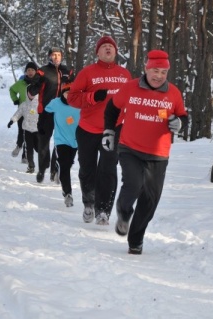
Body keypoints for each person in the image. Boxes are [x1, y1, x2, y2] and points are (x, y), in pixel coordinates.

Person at [103, 49, 188, 255]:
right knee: (133, 184)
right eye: (155, 71)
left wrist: (179, 123)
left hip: (158, 154)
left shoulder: (173, 93)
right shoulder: (130, 88)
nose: (159, 76)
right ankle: (124, 212)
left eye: (164, 72)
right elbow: (112, 108)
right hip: (130, 147)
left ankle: (136, 239)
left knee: (150, 199)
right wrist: (108, 131)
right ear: (146, 69)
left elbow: (182, 116)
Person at [67, 36, 132, 225]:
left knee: (108, 169)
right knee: (88, 169)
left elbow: (131, 100)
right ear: (97, 52)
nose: (108, 49)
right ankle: (89, 203)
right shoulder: (87, 73)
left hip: (113, 130)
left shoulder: (124, 75)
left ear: (116, 51)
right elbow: (72, 98)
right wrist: (92, 97)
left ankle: (103, 211)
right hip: (87, 129)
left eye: (111, 46)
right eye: (104, 46)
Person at [28, 47, 75, 184]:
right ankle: (42, 168)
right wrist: (36, 86)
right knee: (43, 141)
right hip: (46, 112)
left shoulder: (68, 71)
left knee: (60, 141)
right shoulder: (42, 71)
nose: (56, 57)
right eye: (53, 55)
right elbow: (31, 91)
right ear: (49, 56)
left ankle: (55, 169)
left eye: (58, 55)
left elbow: (76, 89)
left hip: (63, 113)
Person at [45, 97, 80, 207]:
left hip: (75, 141)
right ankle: (68, 194)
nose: (68, 94)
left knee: (68, 164)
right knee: (65, 166)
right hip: (61, 140)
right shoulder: (56, 102)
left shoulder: (79, 102)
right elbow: (45, 110)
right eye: (66, 92)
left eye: (71, 92)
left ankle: (56, 166)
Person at [9, 61, 38, 164]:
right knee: (22, 131)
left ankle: (25, 155)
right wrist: (15, 99)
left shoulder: (39, 83)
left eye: (32, 70)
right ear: (26, 72)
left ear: (36, 71)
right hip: (22, 111)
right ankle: (19, 145)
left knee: (30, 133)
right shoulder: (21, 83)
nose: (30, 72)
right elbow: (11, 89)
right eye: (28, 70)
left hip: (35, 113)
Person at [7, 89, 39, 174]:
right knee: (29, 149)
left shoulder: (40, 104)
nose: (31, 95)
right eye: (30, 93)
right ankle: (31, 166)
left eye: (34, 93)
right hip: (27, 130)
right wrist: (12, 121)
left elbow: (45, 116)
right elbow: (18, 113)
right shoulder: (24, 105)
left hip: (38, 131)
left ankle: (44, 161)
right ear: (27, 93)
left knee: (39, 149)